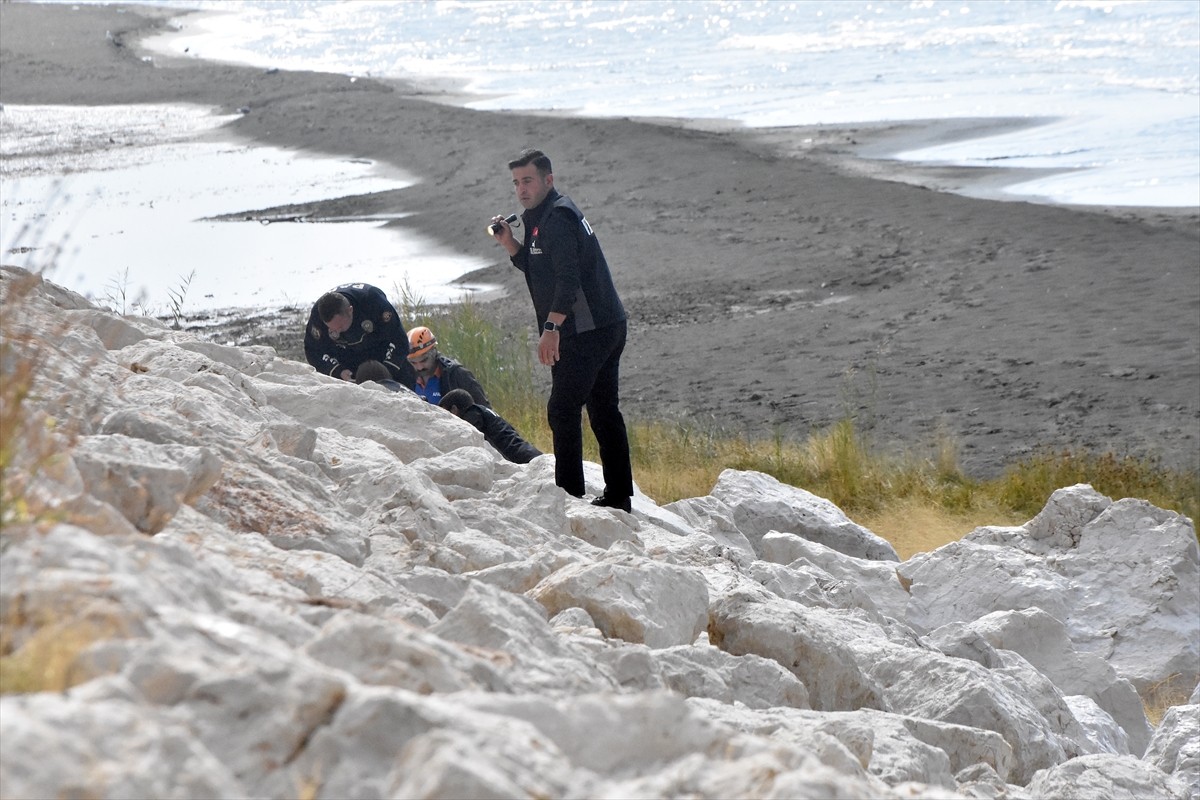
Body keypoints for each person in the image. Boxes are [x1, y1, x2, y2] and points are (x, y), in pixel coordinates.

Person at [489, 148, 633, 512]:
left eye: (528, 181)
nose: (521, 189)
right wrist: (510, 243)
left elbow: (567, 282)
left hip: (588, 330)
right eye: (516, 183)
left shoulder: (559, 219)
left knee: (563, 408)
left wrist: (551, 328)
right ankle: (618, 496)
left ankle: (569, 497)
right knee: (602, 410)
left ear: (548, 180)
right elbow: (541, 267)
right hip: (601, 324)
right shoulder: (540, 218)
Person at [304, 283, 416, 389]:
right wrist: (338, 371)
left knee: (405, 377)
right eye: (332, 330)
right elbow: (313, 351)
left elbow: (399, 339)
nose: (337, 332)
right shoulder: (317, 316)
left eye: (340, 327)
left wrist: (387, 371)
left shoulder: (373, 301)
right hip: (345, 358)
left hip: (380, 349)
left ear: (350, 310)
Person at [439, 388, 543, 465]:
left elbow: (472, 438)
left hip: (521, 458)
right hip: (526, 452)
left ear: (454, 409)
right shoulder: (481, 410)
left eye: (446, 413)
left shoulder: (472, 414)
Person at [407, 325, 490, 408]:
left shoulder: (457, 375)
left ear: (434, 351)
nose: (419, 367)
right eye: (413, 363)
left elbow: (485, 411)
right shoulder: (405, 378)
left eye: (424, 360)